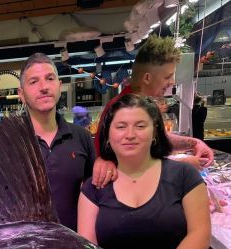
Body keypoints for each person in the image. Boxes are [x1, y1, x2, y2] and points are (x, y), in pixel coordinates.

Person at [78, 94, 210, 249]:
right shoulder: (94, 187)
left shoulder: (185, 175)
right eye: (120, 126)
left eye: (140, 126)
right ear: (108, 135)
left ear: (155, 131)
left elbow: (200, 234)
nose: (130, 134)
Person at [92, 35, 214, 187]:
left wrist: (193, 143)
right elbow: (129, 163)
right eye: (167, 77)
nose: (172, 82)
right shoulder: (121, 109)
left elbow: (159, 139)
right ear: (147, 78)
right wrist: (182, 164)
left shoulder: (147, 106)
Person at [17, 53, 99, 230]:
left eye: (50, 78)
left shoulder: (82, 137)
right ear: (21, 94)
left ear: (59, 86)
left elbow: (95, 192)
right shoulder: (9, 142)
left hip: (74, 246)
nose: (44, 87)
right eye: (33, 82)